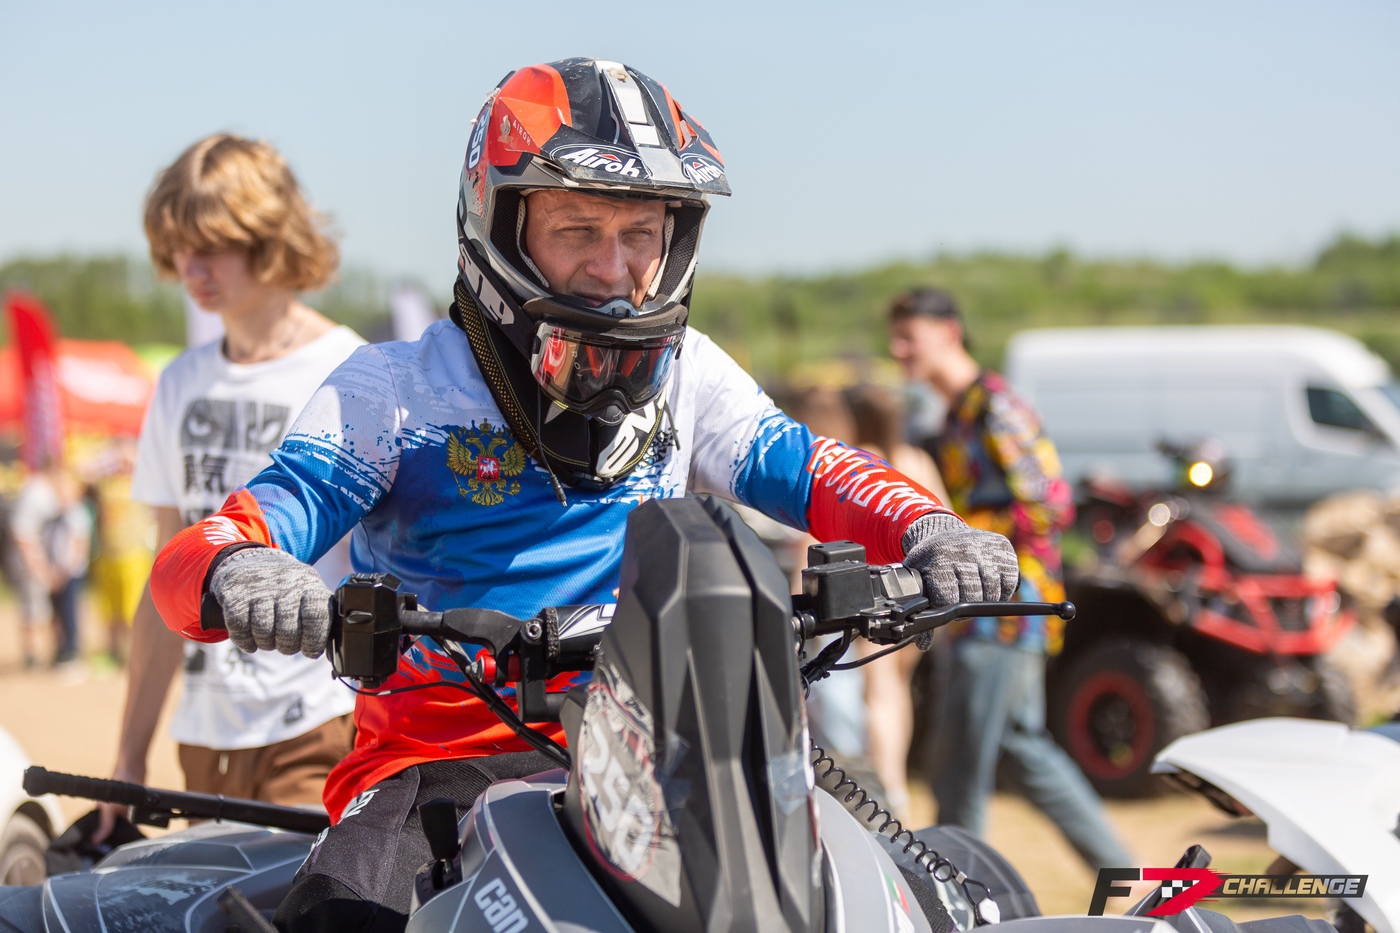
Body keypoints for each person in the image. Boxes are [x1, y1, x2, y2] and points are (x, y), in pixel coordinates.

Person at [147, 59, 1021, 933]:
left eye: (642, 232)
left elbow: (813, 468)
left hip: (668, 756)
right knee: (340, 917)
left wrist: (930, 526)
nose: (613, 268)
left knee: (953, 902)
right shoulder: (395, 389)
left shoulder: (688, 370)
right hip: (440, 762)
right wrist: (244, 570)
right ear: (499, 224)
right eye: (577, 229)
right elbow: (221, 537)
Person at [96, 134, 364, 841]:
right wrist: (129, 753)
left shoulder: (351, 371)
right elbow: (163, 575)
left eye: (212, 245)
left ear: (269, 237)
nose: (191, 267)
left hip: (318, 723)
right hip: (204, 736)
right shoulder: (179, 381)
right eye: (178, 246)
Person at [887, 286, 1131, 869]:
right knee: (1024, 753)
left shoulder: (996, 407)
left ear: (949, 333)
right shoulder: (953, 415)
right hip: (991, 613)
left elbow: (1051, 505)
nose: (897, 351)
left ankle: (955, 893)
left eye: (908, 337)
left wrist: (961, 537)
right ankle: (1135, 881)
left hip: (1006, 612)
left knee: (957, 773)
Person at [845, 382, 950, 818]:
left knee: (878, 693)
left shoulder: (859, 460)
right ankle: (897, 782)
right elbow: (946, 519)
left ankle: (887, 786)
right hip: (919, 594)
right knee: (899, 690)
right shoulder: (917, 460)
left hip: (876, 591)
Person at [11, 461, 91, 669]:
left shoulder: (75, 512)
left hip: (66, 571)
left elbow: (79, 544)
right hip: (52, 569)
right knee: (50, 612)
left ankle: (68, 652)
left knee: (67, 614)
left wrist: (63, 569)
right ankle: (53, 653)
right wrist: (46, 569)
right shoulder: (50, 502)